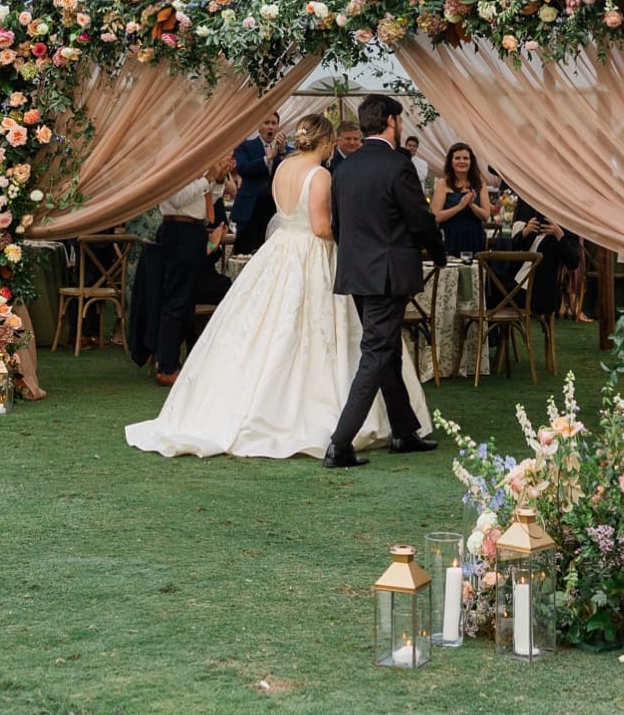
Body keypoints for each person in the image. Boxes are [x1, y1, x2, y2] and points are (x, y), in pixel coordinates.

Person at [126, 112, 433, 460]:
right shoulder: (319, 175)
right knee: (316, 333)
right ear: (328, 142)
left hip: (279, 252)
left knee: (267, 330)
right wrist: (354, 236)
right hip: (311, 255)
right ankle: (329, 420)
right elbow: (320, 228)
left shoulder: (283, 168)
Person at [324, 93, 447, 470]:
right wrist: (438, 252)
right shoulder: (399, 166)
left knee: (387, 350)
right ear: (391, 122)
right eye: (401, 119)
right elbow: (418, 218)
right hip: (388, 273)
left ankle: (403, 431)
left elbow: (338, 227)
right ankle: (339, 444)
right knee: (378, 353)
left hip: (358, 273)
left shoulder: (344, 167)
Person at [150, 176, 215, 385]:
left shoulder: (198, 160)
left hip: (194, 230)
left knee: (187, 302)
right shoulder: (176, 160)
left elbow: (207, 198)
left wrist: (218, 179)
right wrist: (209, 177)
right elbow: (178, 198)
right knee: (177, 300)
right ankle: (166, 366)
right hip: (179, 231)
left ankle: (175, 362)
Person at [495, 197, 581, 317]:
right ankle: (492, 334)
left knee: (492, 292)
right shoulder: (537, 228)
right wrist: (526, 231)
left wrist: (559, 235)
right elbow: (514, 247)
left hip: (537, 292)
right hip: (517, 283)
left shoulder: (564, 232)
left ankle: (493, 333)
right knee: (488, 279)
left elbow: (573, 262)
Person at [230, 112, 286, 255]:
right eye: (266, 123)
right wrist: (266, 159)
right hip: (250, 209)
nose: (270, 127)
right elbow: (242, 169)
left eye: (274, 123)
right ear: (258, 126)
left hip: (273, 209)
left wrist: (282, 152)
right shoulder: (245, 147)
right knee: (244, 252)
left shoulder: (283, 150)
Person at [431, 142, 491, 257]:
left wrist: (472, 205)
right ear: (451, 162)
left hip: (474, 237)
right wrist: (459, 206)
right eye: (457, 158)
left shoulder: (480, 184)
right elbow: (436, 217)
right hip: (449, 237)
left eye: (465, 158)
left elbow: (486, 216)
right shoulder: (442, 183)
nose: (462, 161)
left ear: (471, 161)